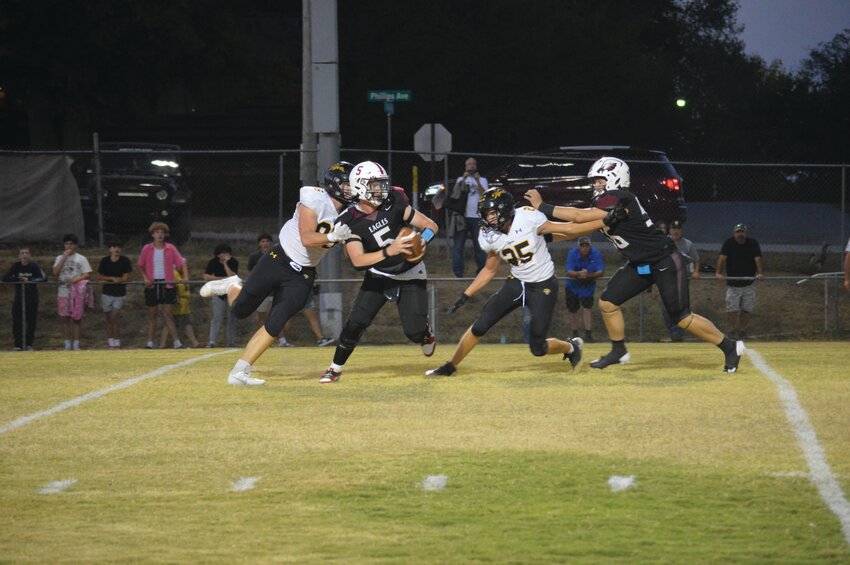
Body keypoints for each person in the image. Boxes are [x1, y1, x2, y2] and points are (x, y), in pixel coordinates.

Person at [525, 156, 745, 373]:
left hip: (664, 260)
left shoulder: (621, 197)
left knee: (681, 317)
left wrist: (542, 206)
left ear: (615, 178)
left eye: (600, 180)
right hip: (641, 263)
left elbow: (579, 217)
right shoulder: (605, 206)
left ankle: (730, 346)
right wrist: (546, 236)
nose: (596, 185)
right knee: (608, 302)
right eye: (595, 181)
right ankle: (619, 350)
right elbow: (576, 228)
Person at [198, 161, 357, 386]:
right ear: (336, 184)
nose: (354, 189)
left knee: (276, 322)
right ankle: (233, 284)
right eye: (349, 185)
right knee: (240, 311)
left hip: (304, 273)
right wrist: (332, 237)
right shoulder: (314, 198)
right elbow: (307, 237)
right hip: (278, 260)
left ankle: (239, 372)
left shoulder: (352, 212)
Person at [426, 189, 597, 377]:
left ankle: (571, 347)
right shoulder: (488, 235)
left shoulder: (527, 217)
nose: (489, 218)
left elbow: (568, 230)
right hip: (517, 282)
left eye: (492, 213)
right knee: (481, 325)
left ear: (504, 209)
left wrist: (602, 222)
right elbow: (490, 269)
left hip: (542, 285)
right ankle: (450, 366)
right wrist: (466, 294)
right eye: (485, 214)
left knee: (538, 348)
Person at [320, 160, 439, 384]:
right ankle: (334, 368)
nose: (381, 189)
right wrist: (389, 251)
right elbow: (358, 260)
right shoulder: (348, 220)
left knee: (414, 334)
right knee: (355, 323)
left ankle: (425, 331)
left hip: (410, 271)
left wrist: (423, 241)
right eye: (375, 184)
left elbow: (431, 226)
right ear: (359, 186)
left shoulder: (394, 200)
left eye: (382, 184)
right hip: (378, 274)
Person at [137, 222, 189, 349]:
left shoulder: (170, 248)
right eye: (157, 233)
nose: (159, 235)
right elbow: (140, 265)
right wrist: (145, 277)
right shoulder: (147, 249)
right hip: (152, 284)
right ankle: (150, 342)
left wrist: (185, 277)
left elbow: (181, 263)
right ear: (153, 234)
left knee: (168, 315)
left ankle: (177, 342)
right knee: (152, 315)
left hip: (167, 284)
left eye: (162, 233)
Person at [715, 223, 764, 340]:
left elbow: (757, 258)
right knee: (732, 309)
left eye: (742, 232)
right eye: (738, 232)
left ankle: (742, 331)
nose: (740, 234)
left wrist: (760, 273)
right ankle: (731, 331)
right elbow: (722, 258)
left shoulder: (753, 243)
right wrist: (718, 273)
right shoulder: (728, 243)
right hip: (733, 284)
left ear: (745, 233)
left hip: (749, 283)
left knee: (746, 308)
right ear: (734, 233)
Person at [660, 220, 701, 342]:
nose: (676, 231)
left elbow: (696, 259)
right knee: (665, 307)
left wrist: (696, 271)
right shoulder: (663, 242)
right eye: (673, 228)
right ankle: (672, 331)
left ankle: (678, 334)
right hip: (666, 280)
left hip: (681, 280)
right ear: (670, 230)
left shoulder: (688, 244)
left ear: (681, 230)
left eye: (678, 228)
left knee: (680, 307)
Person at [52, 234, 92, 350]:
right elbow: (55, 272)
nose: (69, 246)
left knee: (77, 318)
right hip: (63, 292)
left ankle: (76, 344)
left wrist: (76, 279)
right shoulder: (59, 258)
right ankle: (67, 344)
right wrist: (64, 257)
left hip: (77, 294)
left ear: (76, 245)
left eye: (71, 244)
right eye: (67, 244)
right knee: (66, 318)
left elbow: (87, 273)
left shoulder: (81, 258)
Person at [2, 247, 46, 351]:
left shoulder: (34, 266)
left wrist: (30, 280)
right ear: (19, 256)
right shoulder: (16, 266)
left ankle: (28, 344)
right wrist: (18, 279)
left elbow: (43, 278)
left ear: (30, 255)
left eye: (26, 253)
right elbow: (5, 278)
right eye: (22, 253)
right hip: (19, 298)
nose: (24, 255)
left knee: (30, 321)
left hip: (32, 298)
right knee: (17, 321)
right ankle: (18, 345)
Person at [450, 157, 488, 277]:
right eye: (469, 164)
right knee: (458, 246)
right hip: (462, 217)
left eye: (473, 164)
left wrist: (477, 182)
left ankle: (481, 271)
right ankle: (458, 272)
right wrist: (464, 180)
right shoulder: (461, 179)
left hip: (477, 217)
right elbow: (456, 195)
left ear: (476, 166)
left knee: (480, 246)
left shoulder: (483, 179)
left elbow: (485, 195)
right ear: (465, 167)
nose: (471, 166)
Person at [565, 236, 604, 343]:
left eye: (587, 245)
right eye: (582, 246)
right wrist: (579, 274)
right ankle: (574, 334)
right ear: (579, 246)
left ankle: (588, 334)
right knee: (573, 310)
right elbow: (568, 271)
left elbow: (600, 271)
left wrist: (588, 275)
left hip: (588, 285)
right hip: (573, 285)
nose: (585, 248)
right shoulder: (573, 253)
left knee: (587, 308)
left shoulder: (595, 253)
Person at [96, 241, 133, 349]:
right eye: (114, 247)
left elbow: (126, 278)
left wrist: (119, 280)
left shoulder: (125, 261)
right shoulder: (104, 261)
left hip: (119, 294)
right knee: (108, 319)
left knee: (113, 317)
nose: (116, 249)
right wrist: (111, 278)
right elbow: (99, 277)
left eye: (118, 247)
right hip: (106, 293)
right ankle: (111, 342)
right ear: (110, 249)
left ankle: (117, 342)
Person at [278, 282, 336, 347]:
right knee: (288, 317)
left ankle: (320, 339)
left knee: (311, 317)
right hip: (295, 291)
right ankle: (282, 340)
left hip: (305, 291)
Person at [203, 243, 239, 348]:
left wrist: (225, 264)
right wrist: (219, 279)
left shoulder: (233, 262)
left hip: (231, 291)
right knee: (217, 316)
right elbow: (206, 276)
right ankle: (212, 341)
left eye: (227, 253)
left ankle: (231, 341)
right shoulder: (212, 262)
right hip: (218, 291)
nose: (225, 255)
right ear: (218, 255)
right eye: (223, 253)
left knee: (231, 317)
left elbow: (232, 276)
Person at [159, 269, 201, 349]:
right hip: (178, 302)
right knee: (172, 322)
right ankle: (163, 343)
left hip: (184, 303)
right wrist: (176, 297)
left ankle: (194, 342)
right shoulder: (174, 273)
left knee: (184, 322)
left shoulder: (183, 275)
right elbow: (173, 287)